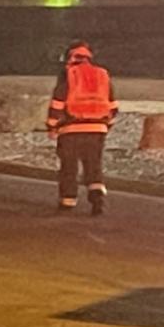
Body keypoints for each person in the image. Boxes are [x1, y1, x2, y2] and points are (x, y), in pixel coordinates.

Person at [46, 41, 118, 216]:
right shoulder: (102, 74)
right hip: (98, 128)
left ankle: (68, 201)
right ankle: (97, 198)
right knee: (93, 165)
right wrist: (107, 125)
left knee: (69, 166)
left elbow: (58, 103)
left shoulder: (68, 74)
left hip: (71, 128)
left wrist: (52, 126)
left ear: (71, 56)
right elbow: (112, 105)